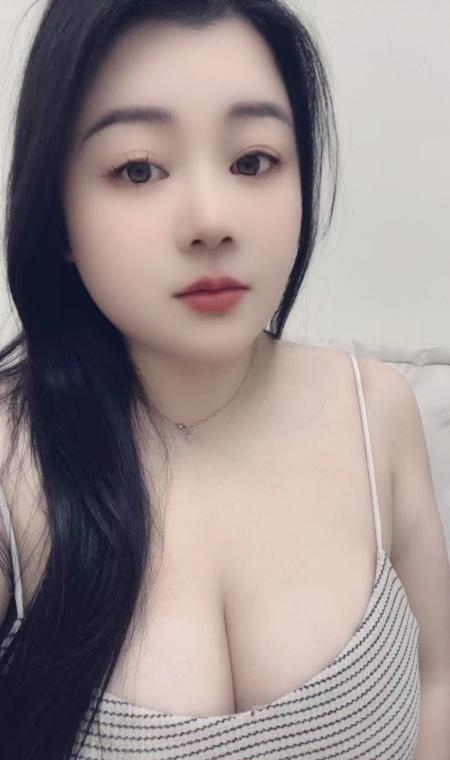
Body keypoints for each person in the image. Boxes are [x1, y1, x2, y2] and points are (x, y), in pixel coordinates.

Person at [0, 1, 449, 758]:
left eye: (252, 162)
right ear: (59, 213)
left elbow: (438, 677)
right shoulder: (11, 465)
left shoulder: (377, 412)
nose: (212, 220)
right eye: (137, 168)